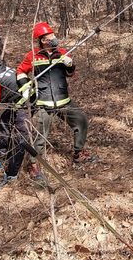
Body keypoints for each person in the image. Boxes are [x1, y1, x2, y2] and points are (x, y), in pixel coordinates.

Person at [16, 22, 95, 183]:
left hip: (63, 101)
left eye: (53, 35)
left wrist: (70, 64)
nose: (54, 38)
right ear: (43, 40)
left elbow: (70, 73)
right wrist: (25, 86)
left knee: (81, 121)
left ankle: (78, 153)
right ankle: (33, 165)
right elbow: (20, 71)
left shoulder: (63, 52)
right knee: (39, 137)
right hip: (44, 104)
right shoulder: (33, 56)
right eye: (50, 37)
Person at [0, 53, 33, 191]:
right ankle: (2, 149)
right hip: (19, 100)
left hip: (25, 104)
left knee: (19, 139)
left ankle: (11, 175)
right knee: (5, 120)